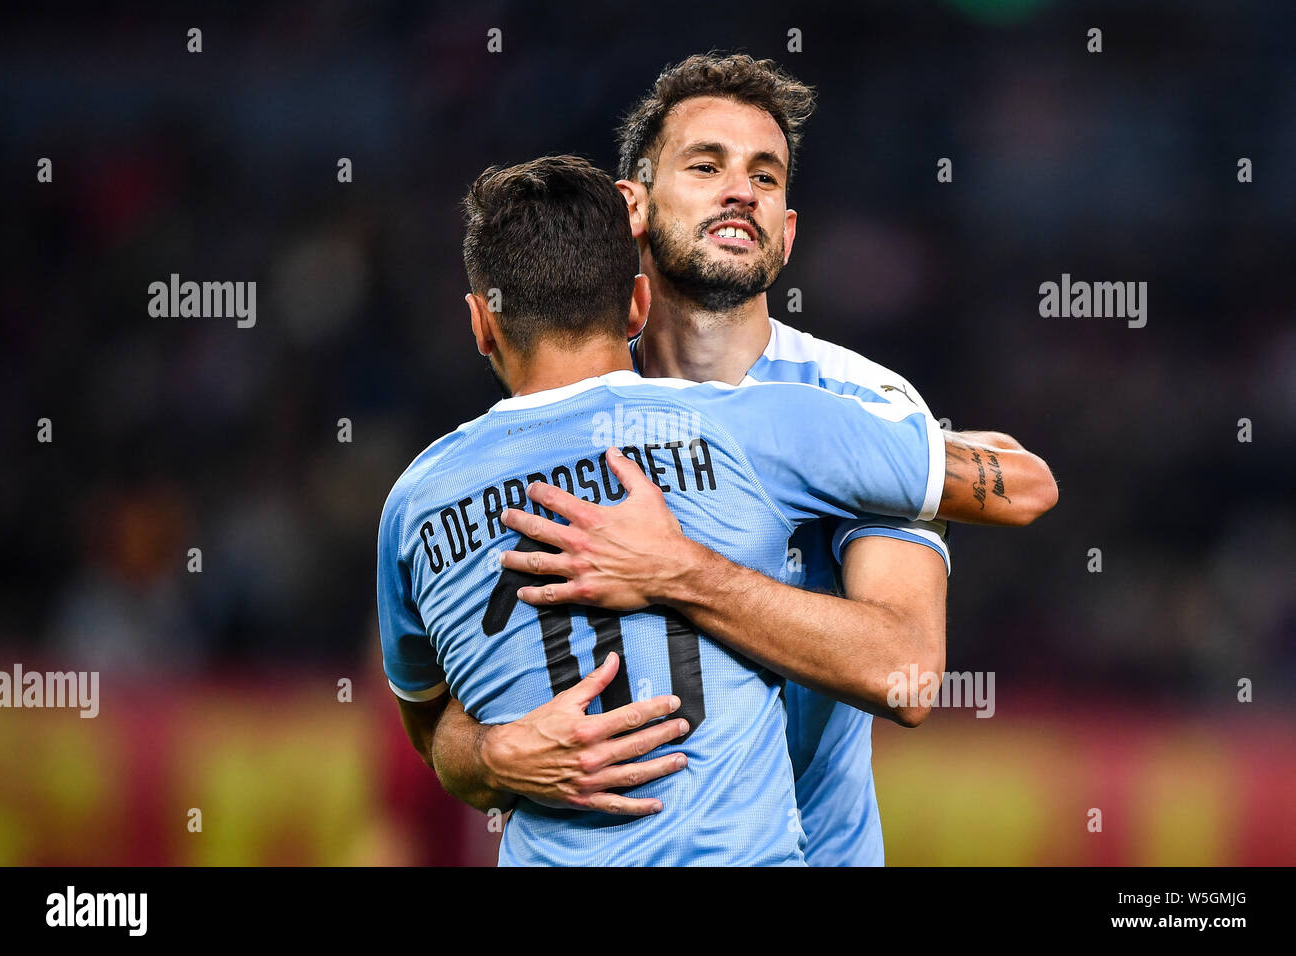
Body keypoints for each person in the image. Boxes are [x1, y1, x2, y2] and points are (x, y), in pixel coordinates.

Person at [422, 54, 1057, 865]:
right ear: (632, 205)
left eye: (766, 176)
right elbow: (441, 720)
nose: (740, 191)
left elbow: (909, 673)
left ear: (786, 233)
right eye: (706, 164)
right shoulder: (547, 421)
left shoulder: (855, 401)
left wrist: (680, 572)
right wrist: (491, 756)